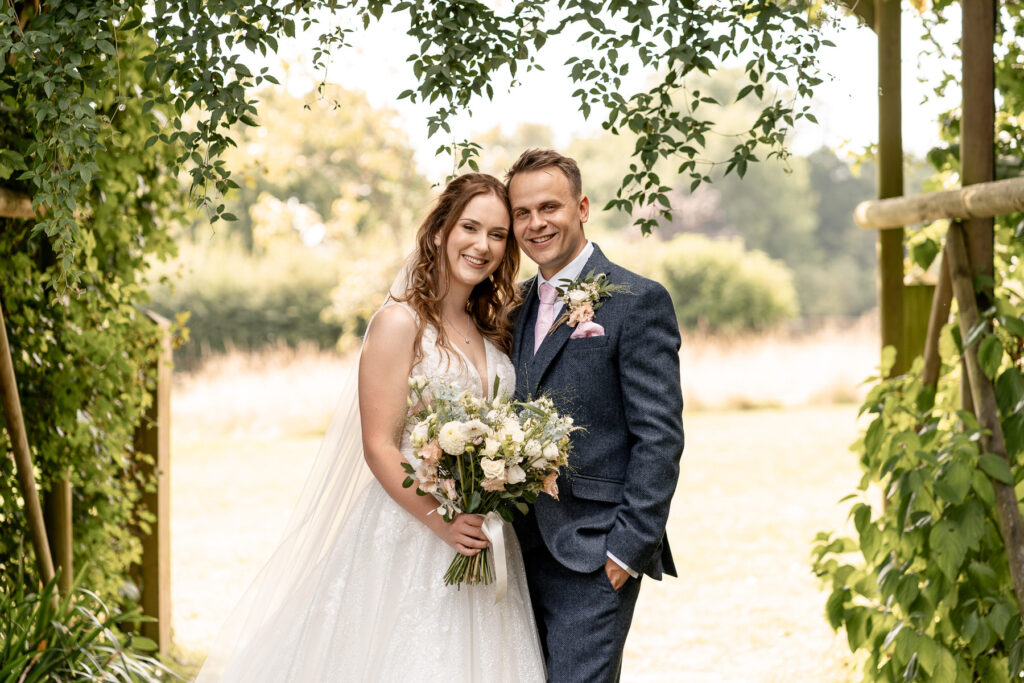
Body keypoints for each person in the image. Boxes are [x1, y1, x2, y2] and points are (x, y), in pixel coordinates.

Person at [195, 173, 545, 682]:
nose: (483, 245)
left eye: (497, 235)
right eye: (471, 227)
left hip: (483, 534)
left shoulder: (493, 329)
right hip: (411, 530)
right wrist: (441, 521)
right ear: (442, 230)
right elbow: (379, 445)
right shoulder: (399, 323)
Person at [507, 148, 684, 682]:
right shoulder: (508, 307)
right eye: (521, 213)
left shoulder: (638, 301)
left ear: (581, 207)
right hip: (510, 553)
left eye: (550, 207)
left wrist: (626, 552)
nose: (536, 223)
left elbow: (659, 437)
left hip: (592, 552)